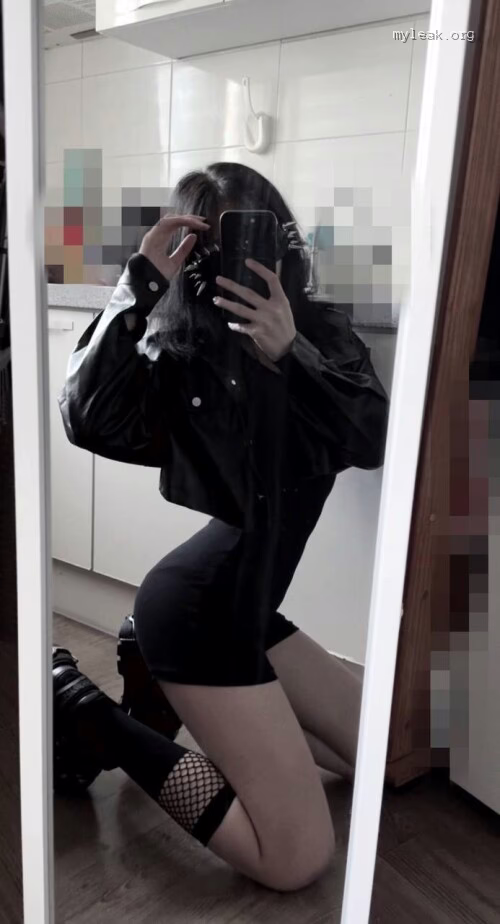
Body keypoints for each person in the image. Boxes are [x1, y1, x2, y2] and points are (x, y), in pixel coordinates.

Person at [54, 163, 389, 892]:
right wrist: (139, 283)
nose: (233, 259)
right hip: (197, 613)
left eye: (249, 235)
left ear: (281, 238)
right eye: (209, 245)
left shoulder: (322, 335)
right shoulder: (184, 355)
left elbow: (371, 440)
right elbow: (84, 419)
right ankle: (89, 716)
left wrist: (291, 354)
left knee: (384, 759)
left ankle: (173, 686)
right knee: (296, 857)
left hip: (252, 611)